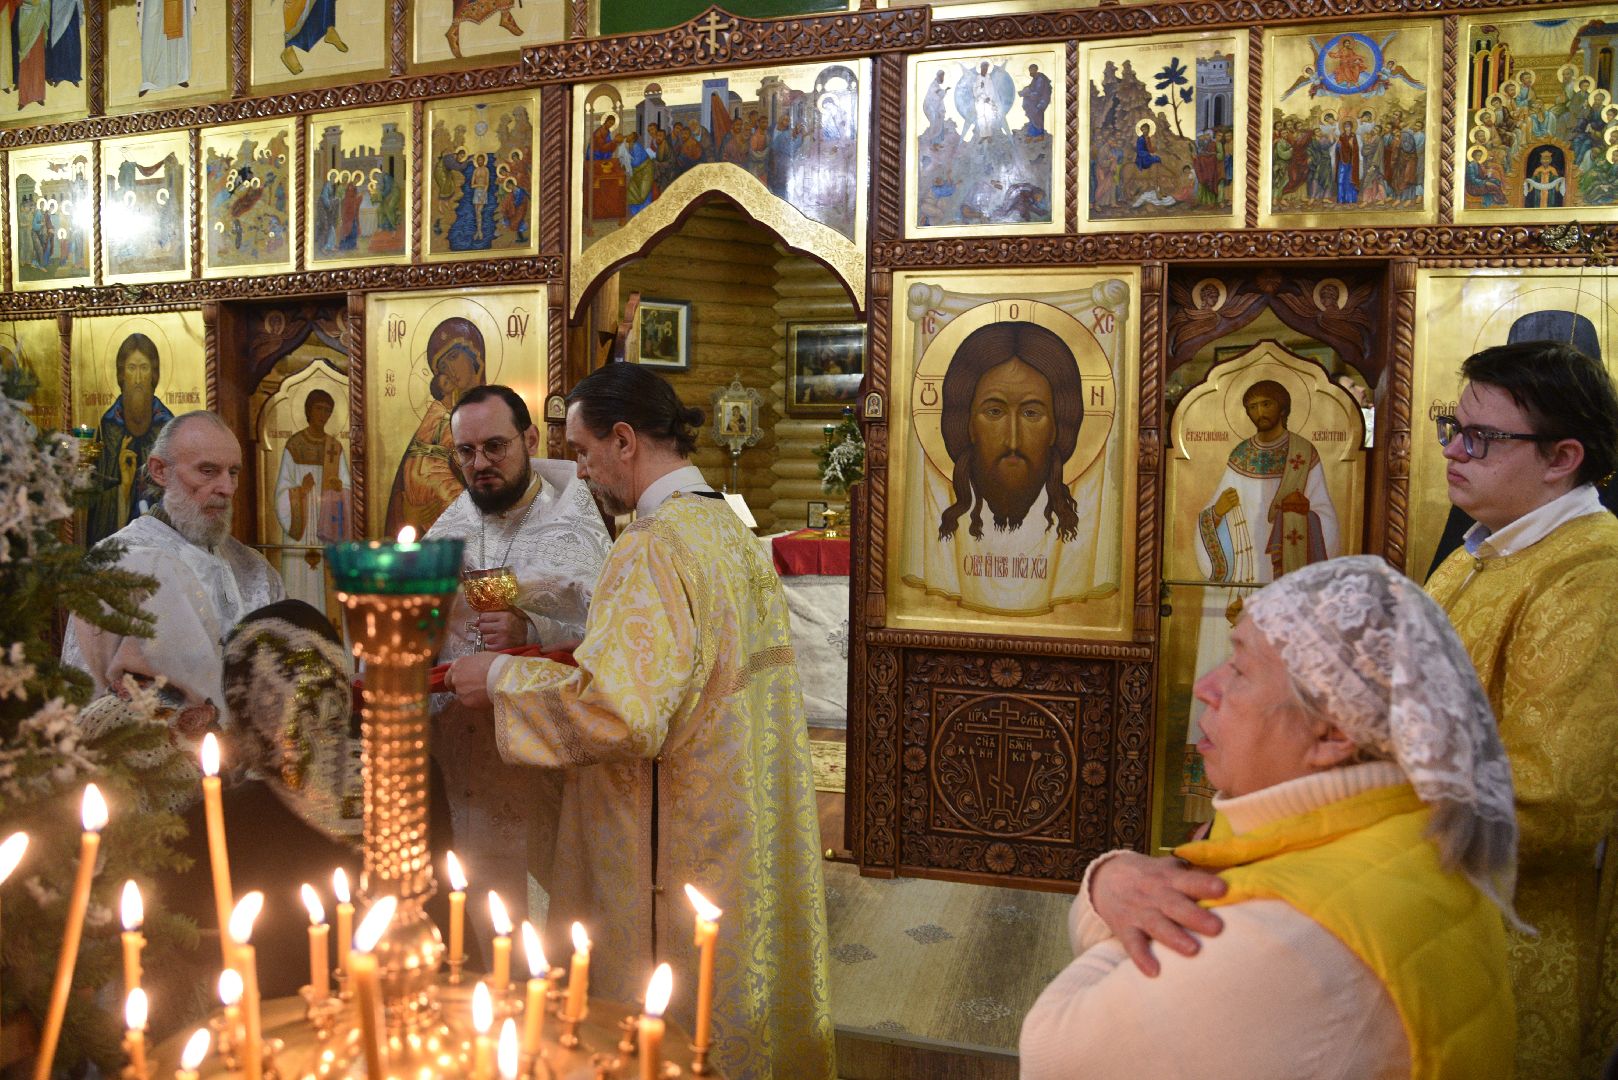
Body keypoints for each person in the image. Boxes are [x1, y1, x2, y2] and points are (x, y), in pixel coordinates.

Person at [446, 364, 835, 1080]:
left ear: (623, 440)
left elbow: (622, 712)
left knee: (665, 1027)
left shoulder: (651, 544)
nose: (582, 471)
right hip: (738, 816)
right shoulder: (723, 528)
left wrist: (499, 678)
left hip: (673, 840)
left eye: (585, 451)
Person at [1022, 556, 1518, 1078]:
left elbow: (1056, 1049)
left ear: (1332, 735)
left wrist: (1107, 890)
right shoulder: (1413, 830)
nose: (1206, 687)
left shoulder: (1286, 936)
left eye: (1239, 669)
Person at [1426, 340, 1618, 1079]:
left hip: (1513, 934)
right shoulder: (1484, 548)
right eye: (1453, 426)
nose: (1455, 449)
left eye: (1483, 438)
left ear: (1562, 456)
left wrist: (1358, 811)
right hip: (1435, 907)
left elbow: (1552, 799)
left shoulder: (1589, 578)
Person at [424, 385, 610, 950]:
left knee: (537, 919)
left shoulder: (575, 525)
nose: (480, 465)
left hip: (536, 767)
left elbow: (613, 637)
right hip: (460, 754)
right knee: (463, 903)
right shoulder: (450, 525)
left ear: (530, 439)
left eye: (495, 447)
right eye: (466, 452)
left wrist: (533, 629)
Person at [65, 411, 285, 734]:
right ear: (159, 471)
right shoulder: (115, 565)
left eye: (233, 472)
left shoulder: (255, 569)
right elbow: (85, 699)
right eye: (207, 471)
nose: (226, 487)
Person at [1183, 378, 1340, 814]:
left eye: (1266, 402)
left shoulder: (1302, 455)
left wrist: (1303, 514)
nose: (1259, 411)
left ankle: (1270, 787)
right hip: (1236, 588)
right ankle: (1213, 799)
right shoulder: (1240, 456)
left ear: (1284, 406)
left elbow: (1326, 518)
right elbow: (1212, 516)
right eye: (1252, 405)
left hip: (1284, 587)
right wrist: (1216, 515)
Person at [902, 319, 1117, 618]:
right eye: (994, 412)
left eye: (1032, 413)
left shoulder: (1087, 530)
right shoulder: (942, 530)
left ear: (1057, 427)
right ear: (968, 425)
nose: (1013, 440)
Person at [384, 316, 487, 537]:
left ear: (475, 354)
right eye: (442, 367)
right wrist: (407, 515)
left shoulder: (493, 418)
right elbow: (402, 489)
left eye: (453, 356)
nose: (449, 369)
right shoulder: (438, 417)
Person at [87, 332, 176, 546]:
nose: (137, 379)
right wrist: (123, 490)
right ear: (121, 374)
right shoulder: (109, 425)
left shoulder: (168, 425)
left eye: (144, 368)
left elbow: (177, 491)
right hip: (116, 546)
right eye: (131, 368)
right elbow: (96, 502)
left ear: (154, 374)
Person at [273, 388, 349, 619]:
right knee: (300, 586)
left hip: (328, 525)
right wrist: (301, 491)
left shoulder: (335, 448)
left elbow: (348, 487)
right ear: (308, 410)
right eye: (319, 409)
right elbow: (281, 491)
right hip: (302, 526)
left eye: (328, 410)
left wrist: (339, 488)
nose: (323, 414)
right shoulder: (294, 445)